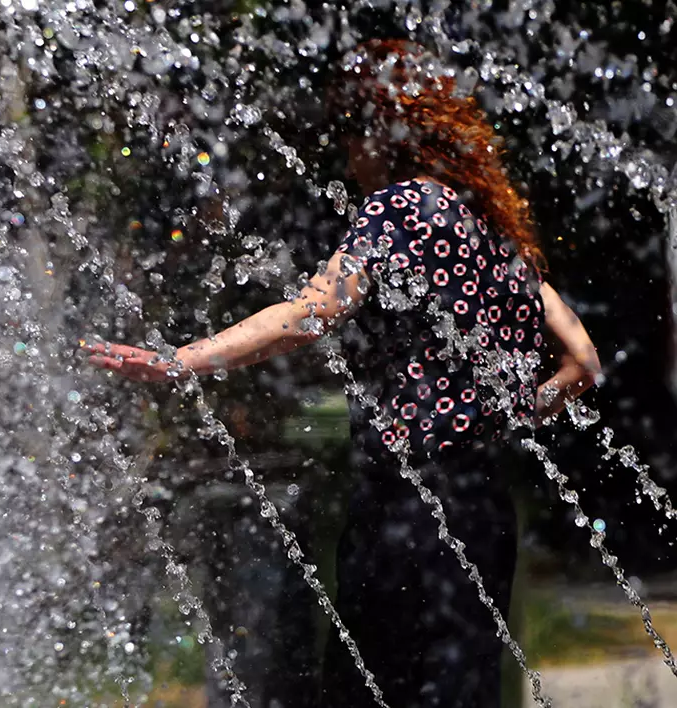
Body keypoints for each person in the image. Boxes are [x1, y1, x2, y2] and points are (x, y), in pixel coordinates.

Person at [82, 39, 601, 707]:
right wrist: (513, 414)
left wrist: (184, 360)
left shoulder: (396, 209)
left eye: (351, 135)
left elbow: (311, 313)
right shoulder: (488, 229)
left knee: (371, 692)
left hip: (406, 508)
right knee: (461, 690)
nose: (348, 156)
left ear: (382, 131)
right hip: (482, 500)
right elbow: (583, 361)